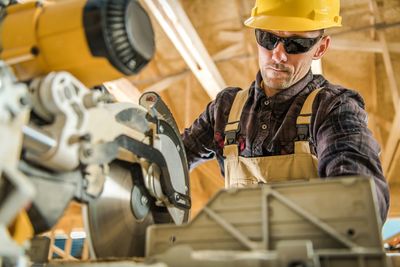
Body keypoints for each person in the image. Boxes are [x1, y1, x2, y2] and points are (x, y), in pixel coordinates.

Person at [182, 0, 389, 222]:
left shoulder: (332, 109)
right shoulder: (225, 110)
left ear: (320, 47)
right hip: (239, 254)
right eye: (268, 39)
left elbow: (361, 195)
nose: (278, 54)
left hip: (310, 255)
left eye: (296, 44)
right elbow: (171, 158)